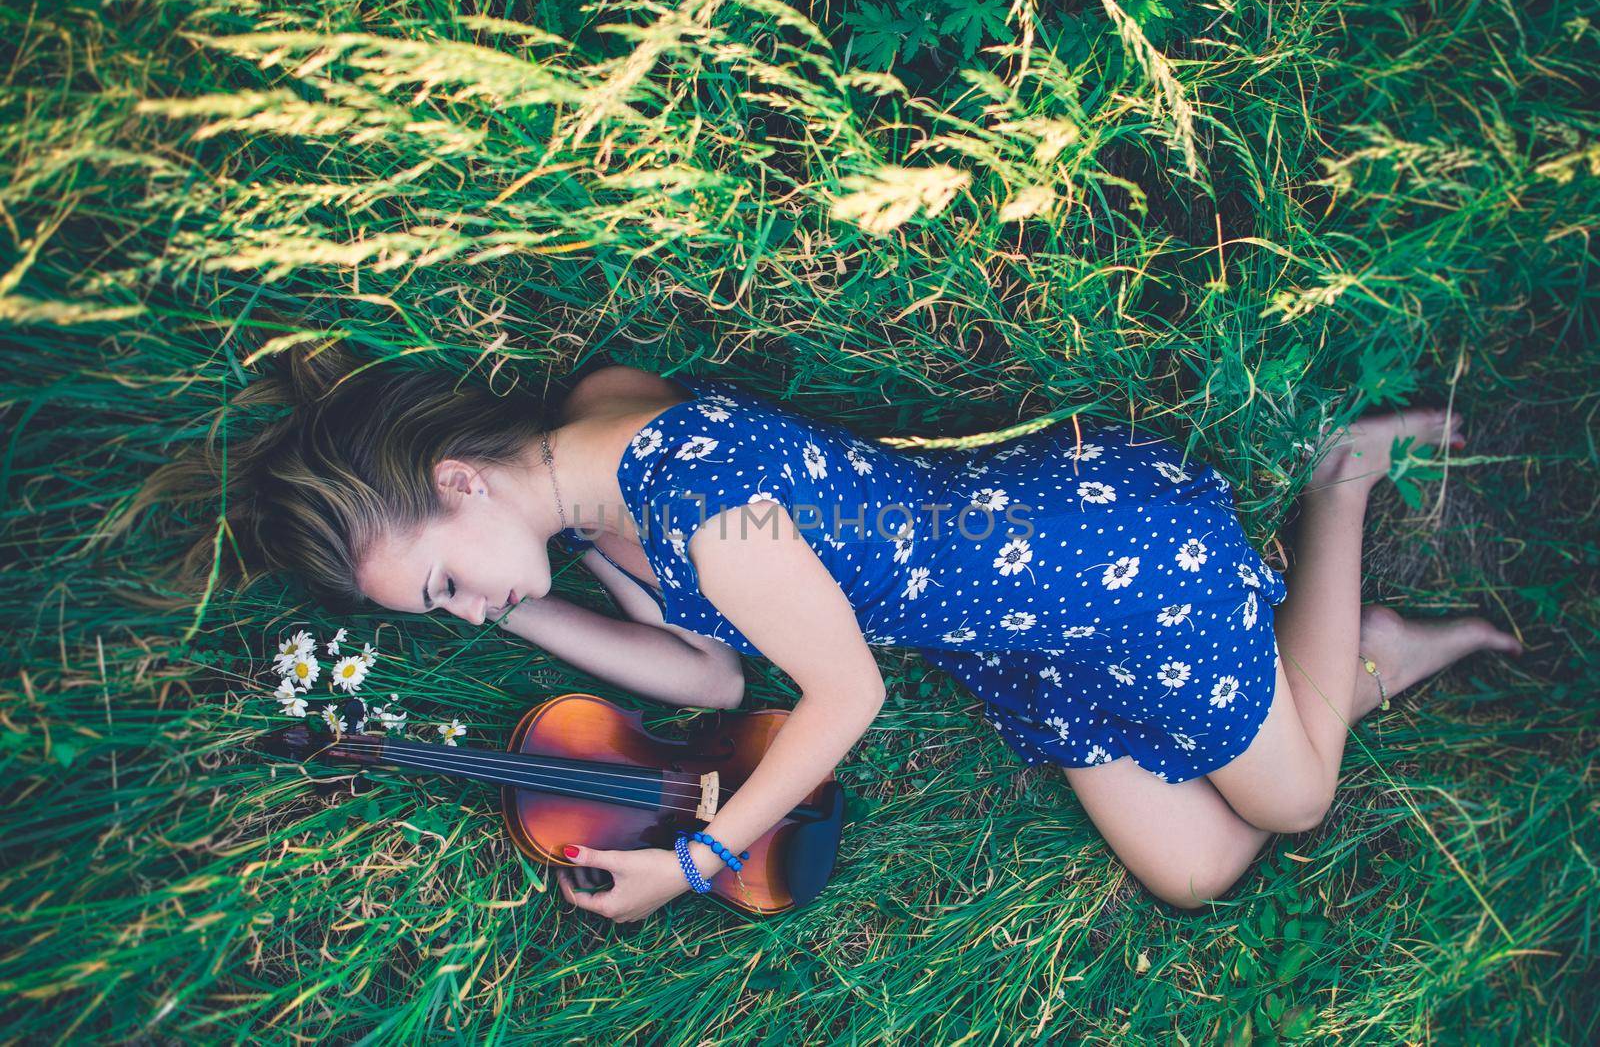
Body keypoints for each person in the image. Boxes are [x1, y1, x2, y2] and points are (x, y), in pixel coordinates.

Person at [112, 350, 1522, 920]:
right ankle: (1346, 654)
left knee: (1300, 797)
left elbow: (838, 699)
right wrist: (535, 604)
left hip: (1104, 569)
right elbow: (709, 672)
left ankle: (1342, 484)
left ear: (460, 481)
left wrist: (697, 858)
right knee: (1204, 867)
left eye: (446, 587)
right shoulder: (599, 461)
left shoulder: (696, 509)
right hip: (1014, 636)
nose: (472, 614)